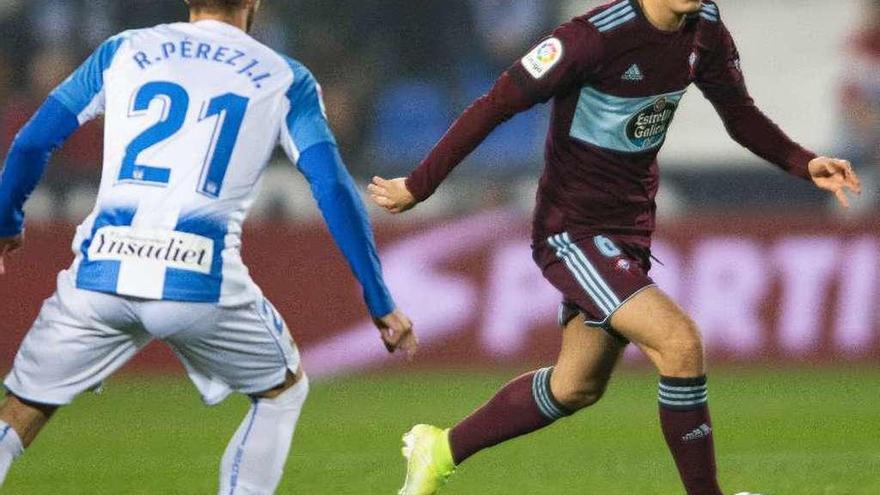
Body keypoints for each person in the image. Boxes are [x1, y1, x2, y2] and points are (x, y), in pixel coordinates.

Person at [369, 1, 861, 494]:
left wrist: (804, 162)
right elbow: (497, 102)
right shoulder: (590, 38)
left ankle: (442, 448)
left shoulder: (704, 27)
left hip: (630, 228)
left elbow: (738, 112)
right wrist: (419, 185)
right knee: (679, 342)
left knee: (575, 385)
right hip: (573, 231)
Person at [0, 0, 417, 493]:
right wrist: (378, 296)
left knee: (23, 408)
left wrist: (7, 220)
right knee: (282, 390)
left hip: (101, 269)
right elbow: (331, 186)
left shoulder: (123, 49)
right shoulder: (284, 77)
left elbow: (31, 144)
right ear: (253, 3)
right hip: (197, 277)